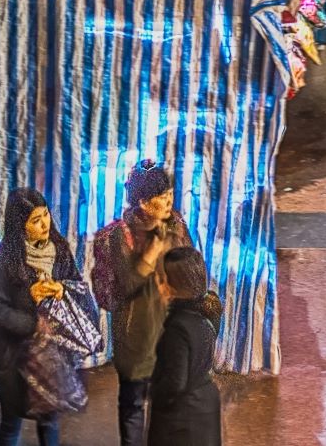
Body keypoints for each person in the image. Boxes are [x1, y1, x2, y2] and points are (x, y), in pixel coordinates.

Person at [0, 188, 95, 446]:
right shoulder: (3, 259)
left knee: (49, 422)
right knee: (11, 424)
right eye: (35, 220)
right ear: (20, 225)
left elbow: (78, 290)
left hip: (52, 359)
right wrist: (30, 305)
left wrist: (62, 290)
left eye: (45, 215)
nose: (44, 224)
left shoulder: (60, 250)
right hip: (13, 361)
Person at [89, 163, 188, 446]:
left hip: (171, 335)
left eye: (170, 192)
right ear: (143, 202)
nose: (170, 199)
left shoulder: (176, 224)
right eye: (162, 195)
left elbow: (193, 270)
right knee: (133, 407)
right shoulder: (114, 238)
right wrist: (149, 258)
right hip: (136, 341)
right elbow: (115, 292)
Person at [147, 251, 223, 446]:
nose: (158, 285)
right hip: (204, 405)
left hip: (182, 418)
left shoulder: (177, 328)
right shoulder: (208, 308)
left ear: (174, 288)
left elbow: (174, 383)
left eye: (162, 281)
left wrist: (151, 390)